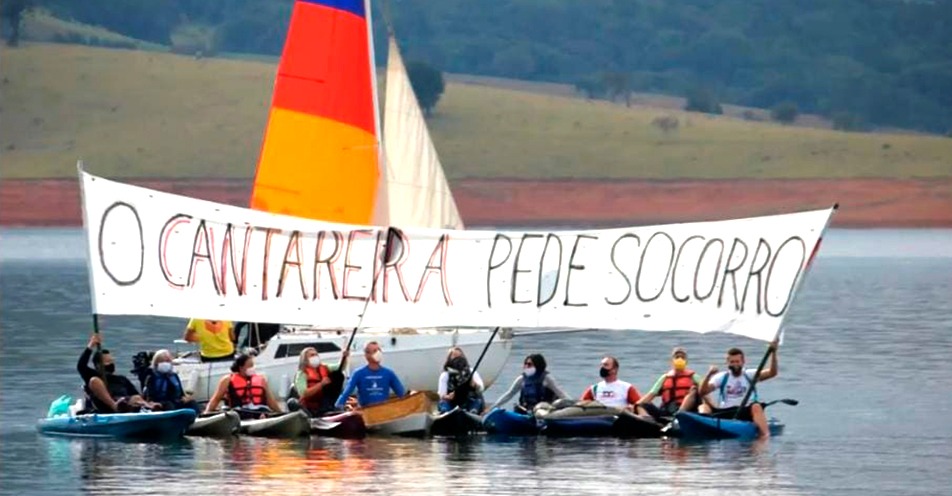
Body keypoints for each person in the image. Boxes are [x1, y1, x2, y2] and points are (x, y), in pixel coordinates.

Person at [680, 340, 780, 438]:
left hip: (745, 411)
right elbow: (703, 392)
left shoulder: (750, 374)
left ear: (743, 362)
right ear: (727, 363)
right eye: (732, 362)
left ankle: (765, 436)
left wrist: (773, 353)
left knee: (756, 406)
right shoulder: (722, 377)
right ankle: (702, 428)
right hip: (726, 412)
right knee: (704, 406)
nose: (735, 364)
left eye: (737, 361)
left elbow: (772, 373)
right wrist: (709, 374)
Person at [77, 333, 158, 413]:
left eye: (112, 361)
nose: (111, 364)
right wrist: (91, 345)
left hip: (125, 403)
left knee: (136, 398)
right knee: (94, 381)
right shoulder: (93, 375)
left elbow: (135, 394)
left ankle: (150, 407)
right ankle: (116, 407)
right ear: (98, 365)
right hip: (107, 405)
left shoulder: (121, 379)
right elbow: (81, 366)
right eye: (108, 361)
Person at [203, 354, 282, 418]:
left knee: (264, 413)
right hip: (240, 412)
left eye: (253, 365)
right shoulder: (227, 380)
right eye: (250, 366)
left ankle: (262, 418)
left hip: (261, 410)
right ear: (241, 367)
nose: (253, 368)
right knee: (245, 414)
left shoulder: (261, 379)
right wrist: (207, 413)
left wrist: (280, 413)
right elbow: (216, 399)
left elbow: (271, 401)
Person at [486, 354, 569, 414]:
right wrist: (492, 408)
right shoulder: (522, 379)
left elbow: (561, 393)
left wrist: (573, 404)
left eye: (529, 364)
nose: (526, 366)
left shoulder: (546, 378)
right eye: (525, 364)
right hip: (527, 410)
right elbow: (509, 394)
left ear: (538, 365)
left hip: (544, 410)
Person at [334, 341, 406, 409]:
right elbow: (345, 394)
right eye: (375, 351)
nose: (378, 353)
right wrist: (337, 408)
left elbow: (401, 393)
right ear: (367, 355)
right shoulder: (358, 373)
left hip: (384, 410)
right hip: (364, 410)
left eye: (379, 350)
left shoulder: (389, 373)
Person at [636, 347, 703, 420]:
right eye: (677, 357)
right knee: (641, 405)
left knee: (695, 391)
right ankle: (648, 422)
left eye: (683, 358)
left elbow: (705, 392)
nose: (679, 359)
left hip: (688, 412)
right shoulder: (665, 378)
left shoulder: (694, 376)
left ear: (686, 361)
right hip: (667, 412)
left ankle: (684, 418)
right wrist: (636, 406)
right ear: (672, 361)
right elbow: (651, 394)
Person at [288, 347, 349, 416]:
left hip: (325, 402)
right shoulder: (302, 374)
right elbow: (303, 393)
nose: (315, 357)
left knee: (338, 375)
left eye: (316, 354)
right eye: (312, 355)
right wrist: (321, 384)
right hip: (310, 406)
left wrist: (345, 357)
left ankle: (331, 407)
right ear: (305, 359)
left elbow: (341, 367)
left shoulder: (324, 367)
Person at [143, 349, 200, 413]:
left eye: (169, 361)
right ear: (157, 363)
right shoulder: (152, 377)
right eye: (165, 361)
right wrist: (152, 403)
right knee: (169, 405)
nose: (167, 363)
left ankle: (198, 416)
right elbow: (149, 396)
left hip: (176, 401)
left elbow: (181, 393)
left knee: (192, 403)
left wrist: (185, 398)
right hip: (161, 403)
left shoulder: (174, 376)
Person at [437, 347, 485, 414]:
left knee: (477, 401)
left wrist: (475, 385)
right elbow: (442, 394)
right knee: (443, 403)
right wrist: (448, 397)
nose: (458, 359)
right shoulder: (445, 374)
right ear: (449, 359)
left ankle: (473, 413)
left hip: (469, 401)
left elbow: (481, 388)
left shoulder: (471, 371)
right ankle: (446, 414)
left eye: (460, 356)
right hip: (452, 403)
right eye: (455, 356)